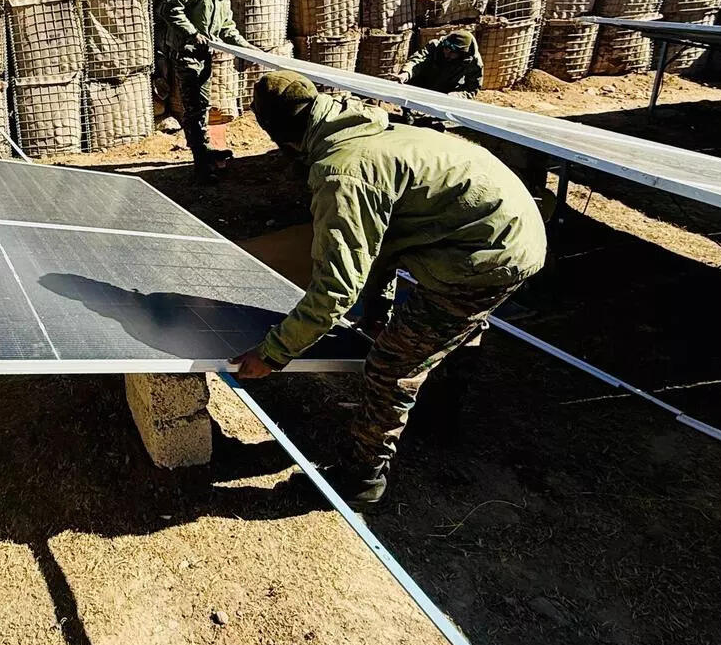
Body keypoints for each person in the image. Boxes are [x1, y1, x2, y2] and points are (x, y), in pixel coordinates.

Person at [233, 72, 547, 504]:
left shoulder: (342, 171)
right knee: (451, 329)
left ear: (279, 136)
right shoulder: (365, 128)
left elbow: (334, 291)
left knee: (389, 367)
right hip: (504, 230)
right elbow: (384, 241)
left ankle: (361, 478)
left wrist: (272, 353)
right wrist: (377, 312)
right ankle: (441, 415)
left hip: (484, 257)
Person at [157, 0, 255, 182]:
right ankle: (201, 164)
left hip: (203, 54)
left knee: (201, 105)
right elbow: (170, 8)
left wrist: (248, 49)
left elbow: (226, 27)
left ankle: (203, 149)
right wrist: (192, 33)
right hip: (187, 53)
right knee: (195, 107)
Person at [399, 30, 483, 96]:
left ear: (462, 54)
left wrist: (456, 96)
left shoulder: (473, 62)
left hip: (448, 90)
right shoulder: (435, 46)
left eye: (452, 53)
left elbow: (472, 88)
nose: (446, 54)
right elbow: (418, 60)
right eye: (446, 49)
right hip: (425, 82)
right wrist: (406, 73)